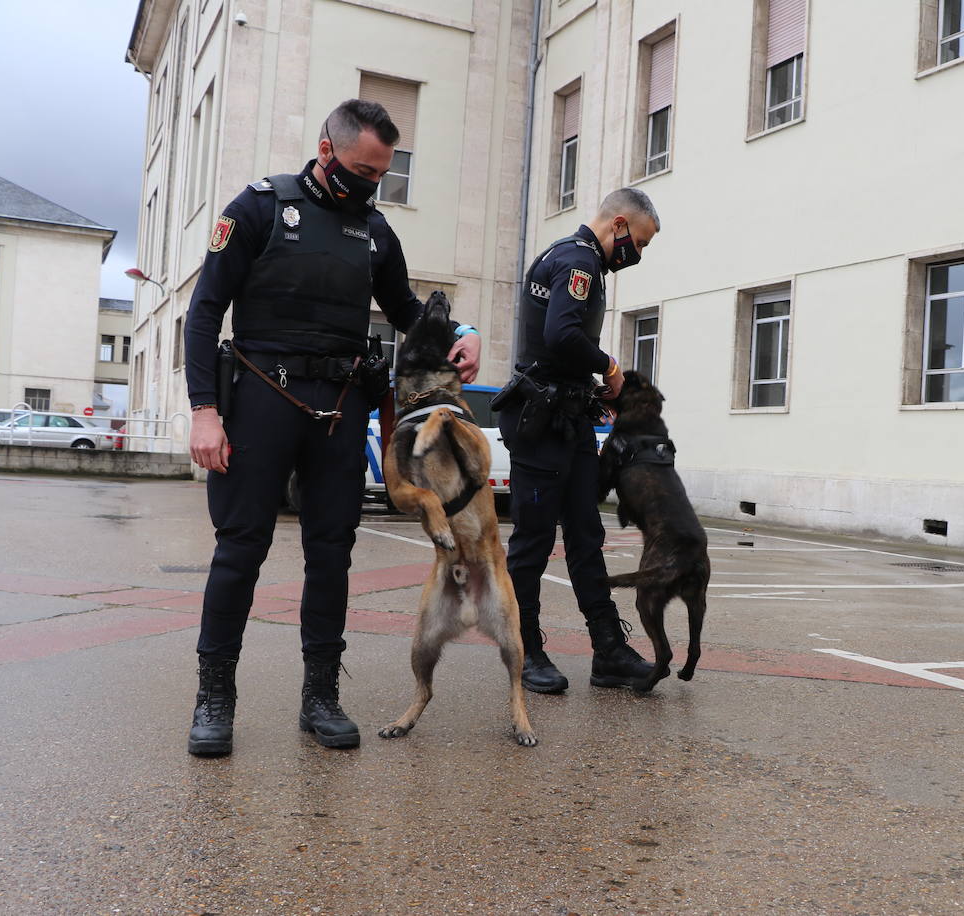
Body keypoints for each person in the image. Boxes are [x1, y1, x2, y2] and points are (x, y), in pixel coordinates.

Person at [183, 100, 481, 756]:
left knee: (332, 552)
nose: (370, 184)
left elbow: (405, 308)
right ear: (325, 152)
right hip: (261, 395)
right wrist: (205, 409)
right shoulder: (259, 209)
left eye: (382, 174)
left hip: (340, 405)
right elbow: (204, 313)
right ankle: (214, 696)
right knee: (240, 548)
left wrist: (461, 332)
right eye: (359, 170)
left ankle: (320, 695)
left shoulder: (375, 233)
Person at [502, 187, 661, 694]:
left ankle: (608, 650)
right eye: (637, 242)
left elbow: (561, 350)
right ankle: (523, 651)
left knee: (586, 538)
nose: (635, 254)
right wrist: (610, 368)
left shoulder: (573, 258)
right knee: (532, 544)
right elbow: (562, 335)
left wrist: (593, 390)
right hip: (542, 426)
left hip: (566, 421)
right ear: (618, 225)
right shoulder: (579, 262)